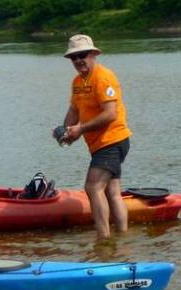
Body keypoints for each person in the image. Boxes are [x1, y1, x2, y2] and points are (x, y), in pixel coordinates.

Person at [57, 34, 131, 238]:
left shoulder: (103, 77)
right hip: (99, 144)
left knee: (93, 187)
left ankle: (104, 241)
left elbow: (110, 114)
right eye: (74, 57)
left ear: (93, 54)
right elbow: (73, 110)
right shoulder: (77, 81)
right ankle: (122, 238)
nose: (79, 60)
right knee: (112, 192)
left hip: (113, 140)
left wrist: (80, 129)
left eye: (82, 55)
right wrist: (65, 132)